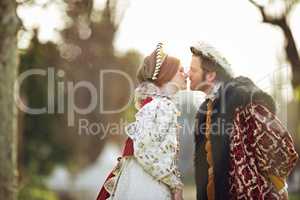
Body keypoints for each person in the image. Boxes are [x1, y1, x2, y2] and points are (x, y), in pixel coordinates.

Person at [188, 41, 299, 200]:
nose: (188, 74)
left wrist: (279, 186)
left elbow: (281, 146)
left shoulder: (243, 100)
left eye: (193, 70)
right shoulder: (206, 110)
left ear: (210, 75)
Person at [96, 43, 187, 200]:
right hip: (146, 184)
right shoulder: (161, 105)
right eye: (180, 70)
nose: (185, 75)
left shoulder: (155, 104)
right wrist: (174, 184)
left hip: (141, 178)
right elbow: (144, 150)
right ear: (166, 75)